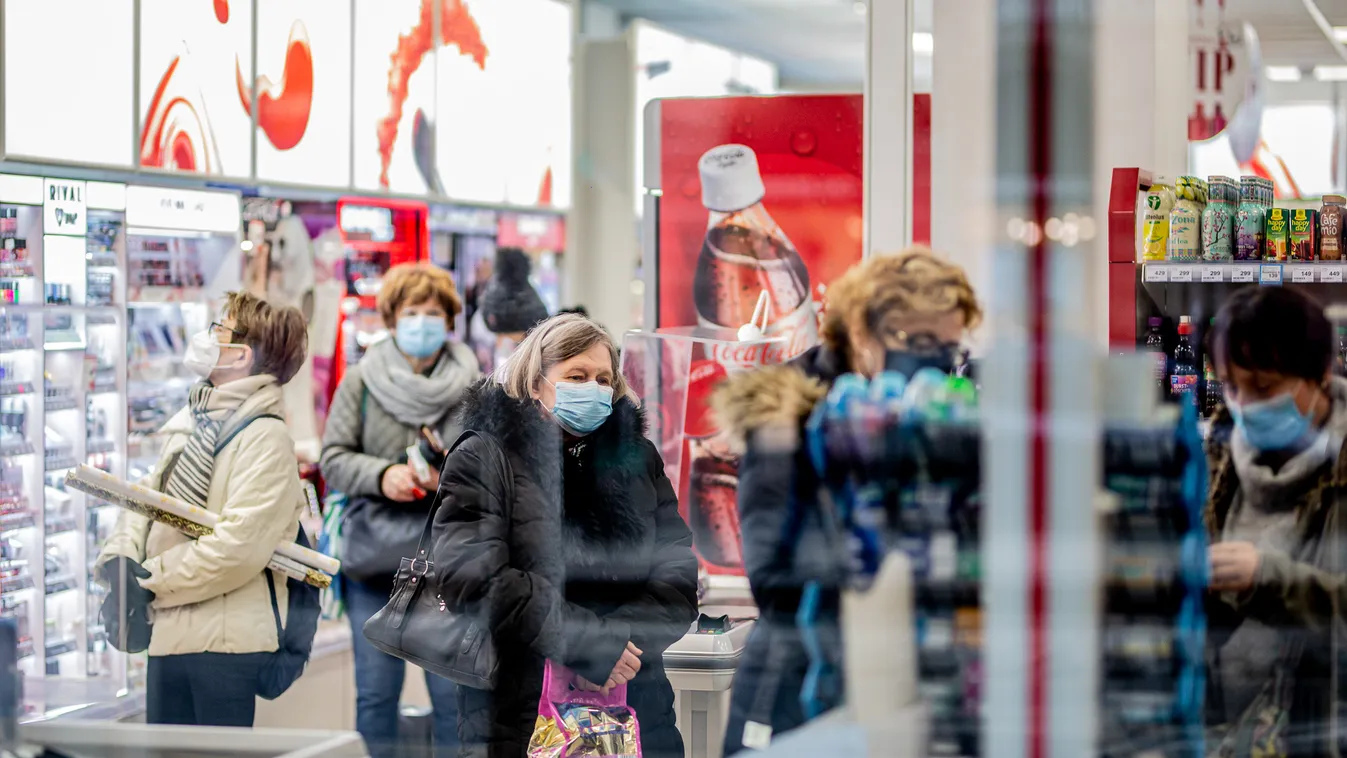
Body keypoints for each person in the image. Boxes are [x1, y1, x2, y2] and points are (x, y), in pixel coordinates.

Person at [712, 248, 982, 754]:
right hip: (798, 688)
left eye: (949, 346)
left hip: (902, 690)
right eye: (919, 340)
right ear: (862, 332)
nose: (937, 363)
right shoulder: (791, 416)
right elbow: (774, 580)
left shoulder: (931, 422)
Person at [431, 314, 697, 757]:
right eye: (576, 376)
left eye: (603, 379)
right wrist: (591, 645)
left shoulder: (637, 458)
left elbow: (677, 570)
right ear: (536, 383)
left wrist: (620, 649)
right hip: (521, 713)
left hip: (638, 704)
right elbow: (471, 577)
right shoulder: (486, 455)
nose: (592, 388)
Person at [97, 291, 309, 727]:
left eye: (219, 328)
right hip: (170, 635)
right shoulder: (194, 417)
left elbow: (236, 548)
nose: (208, 336)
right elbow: (146, 501)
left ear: (241, 355)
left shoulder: (266, 437)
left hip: (226, 647)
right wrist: (119, 560)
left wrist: (150, 580)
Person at [320, 263, 480, 758]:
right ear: (391, 318)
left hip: (450, 563)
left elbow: (497, 468)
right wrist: (382, 476)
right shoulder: (362, 382)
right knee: (375, 694)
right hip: (376, 562)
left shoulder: (476, 387)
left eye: (433, 313)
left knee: (453, 695)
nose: (422, 322)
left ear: (449, 318)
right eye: (411, 312)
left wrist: (449, 478)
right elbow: (334, 458)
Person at [1203, 286, 1347, 756]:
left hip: (1320, 732)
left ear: (1321, 375)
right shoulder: (1214, 459)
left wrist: (1267, 578)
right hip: (1224, 733)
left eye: (1263, 387)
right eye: (1230, 385)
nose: (1243, 404)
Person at [478, 247, 550, 373]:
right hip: (528, 349)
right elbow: (543, 319)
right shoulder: (531, 295)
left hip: (503, 351)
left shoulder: (494, 292)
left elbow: (486, 315)